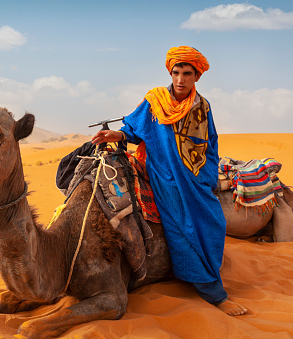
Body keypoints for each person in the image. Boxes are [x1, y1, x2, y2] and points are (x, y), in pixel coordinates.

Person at [92, 46, 248, 316]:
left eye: (187, 74)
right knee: (183, 229)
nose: (180, 79)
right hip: (165, 177)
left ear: (196, 77)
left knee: (214, 223)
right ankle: (213, 293)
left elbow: (210, 143)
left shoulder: (202, 105)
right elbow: (133, 129)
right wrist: (116, 135)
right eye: (176, 72)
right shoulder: (155, 101)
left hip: (196, 179)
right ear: (170, 72)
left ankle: (204, 273)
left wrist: (208, 175)